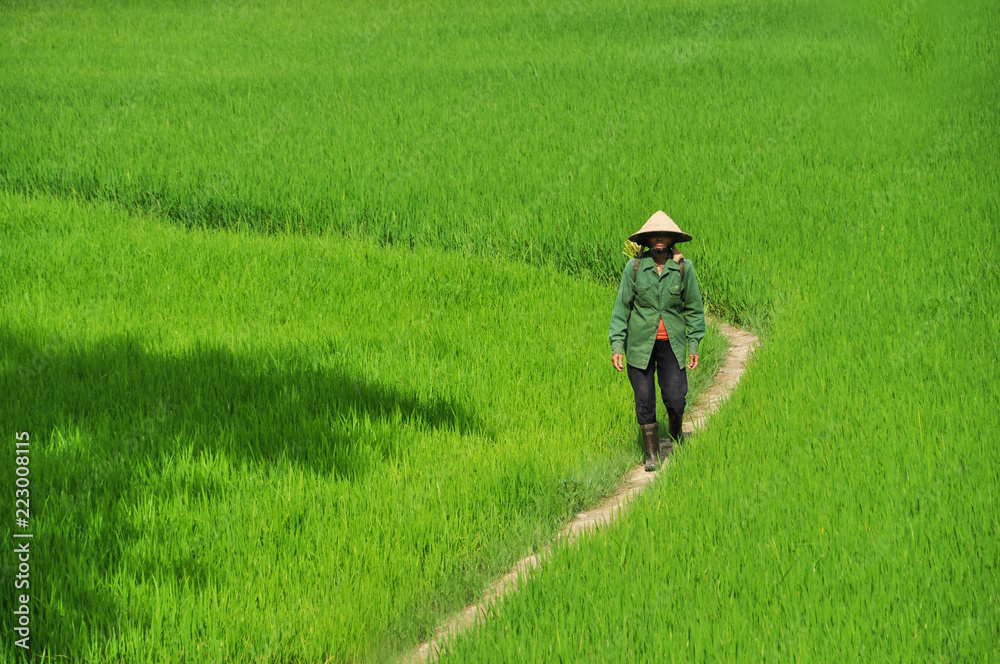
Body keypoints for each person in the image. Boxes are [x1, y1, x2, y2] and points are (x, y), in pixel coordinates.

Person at [609, 211, 706, 471]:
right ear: (648, 240)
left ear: (672, 239)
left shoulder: (684, 268)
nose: (659, 240)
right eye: (655, 236)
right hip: (640, 346)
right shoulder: (636, 267)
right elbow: (622, 309)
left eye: (664, 235)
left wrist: (694, 344)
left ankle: (676, 436)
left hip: (671, 345)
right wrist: (617, 346)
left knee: (676, 399)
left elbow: (694, 310)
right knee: (644, 401)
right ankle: (651, 455)